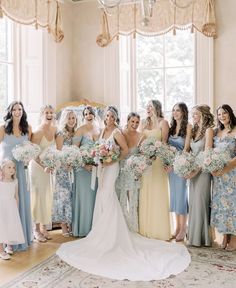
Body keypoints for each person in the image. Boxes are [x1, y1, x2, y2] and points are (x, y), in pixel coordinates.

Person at [57, 106, 190, 281]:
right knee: (102, 195)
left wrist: (110, 160)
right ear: (104, 117)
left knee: (107, 194)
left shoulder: (117, 132)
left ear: (116, 118)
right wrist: (99, 158)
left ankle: (111, 232)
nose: (109, 117)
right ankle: (101, 230)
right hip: (102, 168)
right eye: (107, 115)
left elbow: (125, 151)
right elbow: (97, 148)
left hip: (112, 168)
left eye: (112, 115)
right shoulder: (102, 131)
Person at [0, 101, 32, 250]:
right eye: (14, 109)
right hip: (6, 173)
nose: (17, 111)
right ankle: (6, 242)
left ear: (23, 111)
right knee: (6, 205)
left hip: (21, 169)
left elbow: (31, 150)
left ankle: (19, 239)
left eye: (20, 109)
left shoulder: (28, 129)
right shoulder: (3, 129)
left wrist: (28, 158)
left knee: (21, 201)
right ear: (10, 111)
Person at [139, 100, 171, 240]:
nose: (148, 109)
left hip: (158, 163)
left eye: (150, 106)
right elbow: (139, 142)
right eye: (147, 106)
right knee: (146, 191)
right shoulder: (143, 123)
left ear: (157, 108)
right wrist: (145, 153)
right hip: (146, 162)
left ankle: (159, 230)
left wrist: (156, 152)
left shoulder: (163, 123)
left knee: (158, 192)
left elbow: (164, 143)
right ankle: (146, 229)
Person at [30, 105, 59, 242]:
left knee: (46, 196)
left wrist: (53, 163)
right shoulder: (38, 131)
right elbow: (33, 154)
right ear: (42, 114)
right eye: (46, 112)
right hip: (37, 168)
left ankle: (43, 228)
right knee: (37, 197)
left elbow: (55, 149)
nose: (49, 114)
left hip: (47, 168)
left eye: (51, 112)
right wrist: (44, 166)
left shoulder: (54, 129)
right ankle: (35, 230)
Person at [187, 105, 214, 247]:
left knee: (200, 203)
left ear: (203, 115)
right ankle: (193, 237)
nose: (193, 116)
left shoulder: (209, 130)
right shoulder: (194, 130)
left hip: (203, 172)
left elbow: (206, 153)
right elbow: (191, 152)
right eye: (192, 114)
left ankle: (202, 238)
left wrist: (195, 171)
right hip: (192, 171)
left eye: (196, 114)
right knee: (193, 203)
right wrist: (186, 167)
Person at [210, 104, 236, 251]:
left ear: (230, 114)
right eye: (219, 114)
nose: (222, 116)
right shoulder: (217, 132)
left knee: (232, 206)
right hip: (219, 177)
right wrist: (213, 167)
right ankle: (225, 236)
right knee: (222, 206)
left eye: (224, 113)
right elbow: (211, 154)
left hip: (232, 175)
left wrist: (225, 169)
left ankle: (234, 239)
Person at [72, 106, 100, 237]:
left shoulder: (99, 130)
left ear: (95, 115)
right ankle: (83, 229)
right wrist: (84, 165)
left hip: (96, 169)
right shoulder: (80, 130)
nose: (89, 115)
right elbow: (74, 151)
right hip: (82, 170)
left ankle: (94, 229)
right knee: (84, 198)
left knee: (94, 198)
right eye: (86, 114)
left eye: (91, 113)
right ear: (83, 116)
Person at [116, 112, 144, 232]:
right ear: (127, 121)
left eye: (137, 122)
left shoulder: (141, 135)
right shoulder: (120, 133)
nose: (134, 124)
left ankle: (133, 228)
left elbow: (142, 155)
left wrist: (139, 169)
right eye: (132, 121)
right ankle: (121, 227)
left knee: (132, 200)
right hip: (121, 170)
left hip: (133, 172)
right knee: (120, 199)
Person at [167, 103, 192, 241]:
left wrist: (176, 163)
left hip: (181, 166)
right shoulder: (171, 129)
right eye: (173, 110)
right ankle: (177, 227)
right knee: (175, 197)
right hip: (171, 168)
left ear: (183, 112)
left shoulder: (188, 127)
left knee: (182, 196)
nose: (175, 113)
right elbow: (166, 149)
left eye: (178, 110)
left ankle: (184, 228)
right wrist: (168, 164)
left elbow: (186, 148)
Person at [52, 109, 77, 237]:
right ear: (65, 119)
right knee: (64, 196)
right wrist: (65, 163)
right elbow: (58, 152)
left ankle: (71, 222)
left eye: (73, 118)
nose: (72, 121)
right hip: (63, 169)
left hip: (74, 169)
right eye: (69, 118)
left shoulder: (76, 133)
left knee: (72, 196)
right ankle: (63, 224)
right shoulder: (61, 134)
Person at [0, 159, 25, 260]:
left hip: (11, 206)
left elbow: (16, 196)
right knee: (2, 226)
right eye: (9, 167)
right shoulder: (0, 181)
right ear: (2, 169)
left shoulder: (15, 181)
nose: (12, 169)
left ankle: (9, 245)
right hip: (1, 205)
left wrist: (17, 208)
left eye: (13, 168)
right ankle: (1, 250)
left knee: (10, 225)